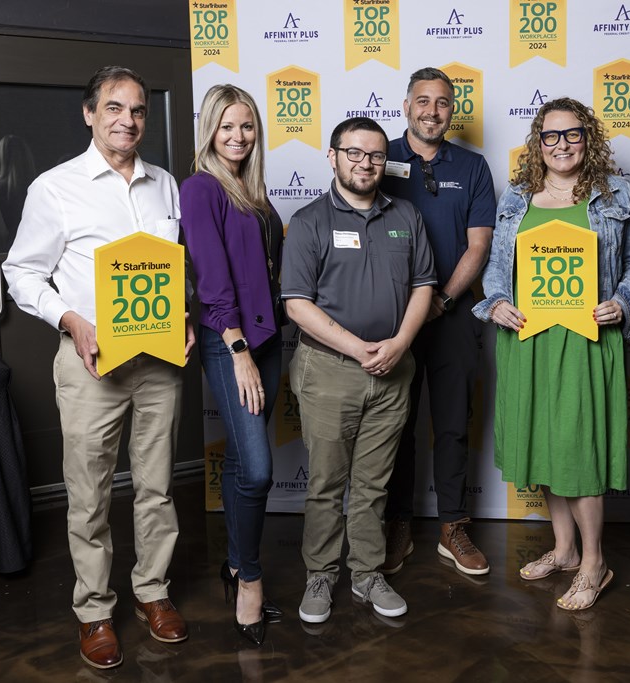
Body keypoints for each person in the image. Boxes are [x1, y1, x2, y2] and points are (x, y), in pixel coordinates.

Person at [3, 65, 193, 669]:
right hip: (91, 362)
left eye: (137, 110)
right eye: (114, 108)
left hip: (159, 361)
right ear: (90, 114)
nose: (127, 120)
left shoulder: (166, 184)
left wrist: (184, 313)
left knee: (157, 487)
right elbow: (22, 272)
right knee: (88, 495)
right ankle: (94, 610)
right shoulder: (54, 187)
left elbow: (169, 267)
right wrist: (70, 321)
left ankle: (152, 592)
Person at [472, 97, 630, 611]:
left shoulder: (614, 194)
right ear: (538, 143)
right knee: (545, 444)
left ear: (587, 137)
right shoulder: (517, 196)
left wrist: (622, 301)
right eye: (551, 136)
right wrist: (497, 303)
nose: (562, 144)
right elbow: (495, 268)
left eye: (572, 134)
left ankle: (596, 563)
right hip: (528, 338)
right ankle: (566, 550)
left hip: (588, 338)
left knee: (580, 450)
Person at [281, 116, 436, 624]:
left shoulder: (406, 215)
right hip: (328, 372)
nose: (365, 163)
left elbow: (422, 287)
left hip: (394, 370)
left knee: (374, 484)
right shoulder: (308, 221)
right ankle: (321, 576)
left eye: (374, 155)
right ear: (333, 156)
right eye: (353, 153)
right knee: (326, 483)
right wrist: (359, 349)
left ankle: (367, 574)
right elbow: (297, 304)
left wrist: (400, 343)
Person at [179, 85, 285, 646]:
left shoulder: (255, 192)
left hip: (268, 340)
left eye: (246, 127)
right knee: (261, 470)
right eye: (226, 127)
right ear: (210, 132)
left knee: (248, 466)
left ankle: (235, 561)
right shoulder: (201, 188)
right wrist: (238, 347)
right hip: (232, 343)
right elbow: (211, 276)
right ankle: (249, 578)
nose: (238, 137)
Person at [380, 67, 496, 576]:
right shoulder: (376, 156)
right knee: (394, 425)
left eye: (443, 102)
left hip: (450, 316)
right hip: (388, 319)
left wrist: (443, 302)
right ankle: (397, 521)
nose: (432, 110)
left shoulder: (472, 166)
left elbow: (479, 245)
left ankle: (452, 524)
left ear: (453, 110)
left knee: (451, 423)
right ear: (406, 106)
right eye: (422, 101)